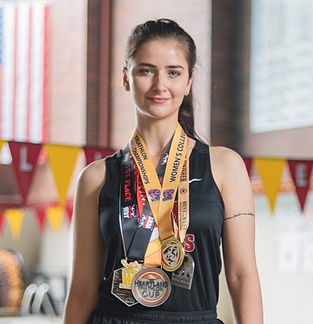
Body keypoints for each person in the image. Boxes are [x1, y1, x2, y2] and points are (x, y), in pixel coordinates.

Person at [63, 18, 263, 324]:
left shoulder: (224, 166)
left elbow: (241, 276)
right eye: (146, 70)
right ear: (126, 78)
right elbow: (82, 289)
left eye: (173, 72)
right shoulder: (96, 177)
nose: (160, 85)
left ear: (188, 81)